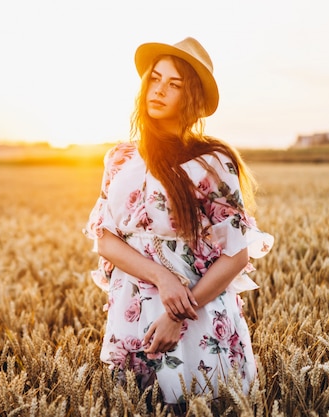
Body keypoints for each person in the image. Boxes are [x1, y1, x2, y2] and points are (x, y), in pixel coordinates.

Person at [83, 37, 274, 406]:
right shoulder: (120, 159)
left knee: (200, 404)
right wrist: (162, 278)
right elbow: (105, 240)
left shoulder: (213, 162)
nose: (159, 91)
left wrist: (178, 316)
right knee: (132, 406)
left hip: (197, 313)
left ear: (192, 99)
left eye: (174, 85)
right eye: (155, 80)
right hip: (133, 309)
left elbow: (236, 256)